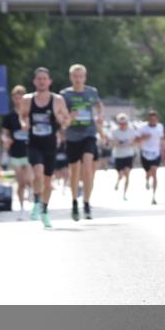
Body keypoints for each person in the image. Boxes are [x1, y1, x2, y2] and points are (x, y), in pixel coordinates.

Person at [20, 67, 71, 228]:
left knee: (48, 181)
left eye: (44, 79)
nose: (42, 81)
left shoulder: (57, 100)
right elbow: (22, 116)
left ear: (49, 81)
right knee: (38, 173)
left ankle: (44, 210)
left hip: (50, 144)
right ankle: (36, 201)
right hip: (34, 143)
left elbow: (67, 120)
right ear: (34, 82)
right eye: (39, 79)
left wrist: (62, 120)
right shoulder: (27, 99)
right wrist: (24, 124)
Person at [60, 63, 105, 221]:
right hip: (72, 136)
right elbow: (61, 114)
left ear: (85, 77)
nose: (78, 79)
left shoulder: (92, 92)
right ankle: (74, 201)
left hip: (89, 133)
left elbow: (100, 105)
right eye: (75, 76)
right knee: (74, 172)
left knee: (88, 167)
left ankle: (86, 202)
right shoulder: (65, 95)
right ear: (71, 77)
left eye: (81, 76)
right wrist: (69, 117)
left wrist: (100, 115)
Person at [2, 85, 33, 215]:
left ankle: (34, 198)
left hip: (30, 151)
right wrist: (6, 140)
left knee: (29, 180)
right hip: (15, 152)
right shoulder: (9, 116)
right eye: (16, 98)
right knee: (21, 183)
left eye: (21, 98)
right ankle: (21, 207)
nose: (18, 100)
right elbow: (4, 133)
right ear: (13, 99)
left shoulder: (30, 114)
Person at [135, 108, 165, 205]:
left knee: (154, 172)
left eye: (154, 119)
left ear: (157, 119)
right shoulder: (142, 127)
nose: (153, 121)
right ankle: (147, 179)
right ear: (148, 119)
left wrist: (164, 146)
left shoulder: (160, 127)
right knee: (148, 172)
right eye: (151, 119)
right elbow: (136, 140)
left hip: (155, 153)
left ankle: (154, 196)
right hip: (145, 152)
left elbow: (162, 138)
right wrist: (144, 137)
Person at [109, 113, 137, 200]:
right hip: (118, 155)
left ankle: (124, 194)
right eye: (121, 123)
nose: (123, 125)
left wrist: (131, 143)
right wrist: (118, 143)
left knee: (127, 173)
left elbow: (135, 141)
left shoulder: (131, 130)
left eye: (124, 123)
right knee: (121, 174)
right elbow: (112, 143)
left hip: (128, 154)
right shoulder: (114, 131)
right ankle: (118, 181)